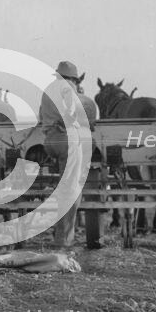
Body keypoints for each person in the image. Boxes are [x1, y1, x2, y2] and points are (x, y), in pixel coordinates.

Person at [38, 61, 92, 247]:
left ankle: (60, 232)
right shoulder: (69, 88)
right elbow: (70, 113)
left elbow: (41, 118)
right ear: (74, 78)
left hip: (50, 141)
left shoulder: (48, 89)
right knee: (71, 188)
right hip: (67, 141)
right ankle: (64, 238)